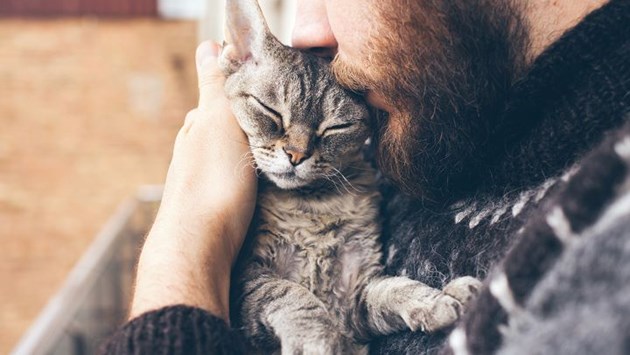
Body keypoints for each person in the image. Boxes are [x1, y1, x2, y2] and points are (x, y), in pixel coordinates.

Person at [100, 0, 630, 353]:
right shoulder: (420, 126)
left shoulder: (604, 258)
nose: (308, 31)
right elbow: (352, 300)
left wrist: (183, 246)